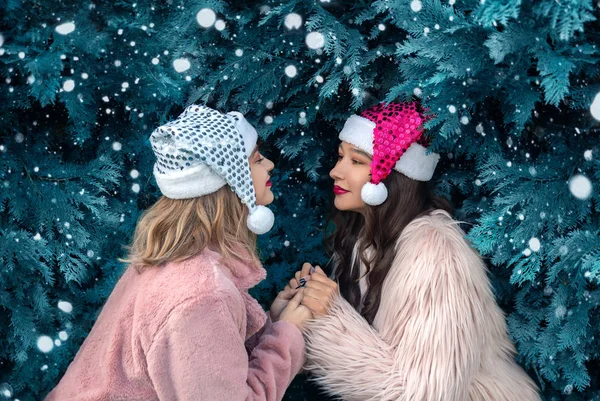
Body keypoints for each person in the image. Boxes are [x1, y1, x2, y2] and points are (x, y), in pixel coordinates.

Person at [45, 105, 311, 401]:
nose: (270, 165)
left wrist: (271, 325)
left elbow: (202, 371)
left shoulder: (170, 263)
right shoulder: (202, 296)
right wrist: (287, 337)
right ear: (231, 183)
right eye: (257, 159)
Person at [289, 102, 541, 401]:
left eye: (356, 162)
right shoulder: (366, 242)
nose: (335, 171)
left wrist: (329, 316)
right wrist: (298, 321)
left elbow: (422, 393)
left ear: (392, 177)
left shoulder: (434, 255)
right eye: (340, 156)